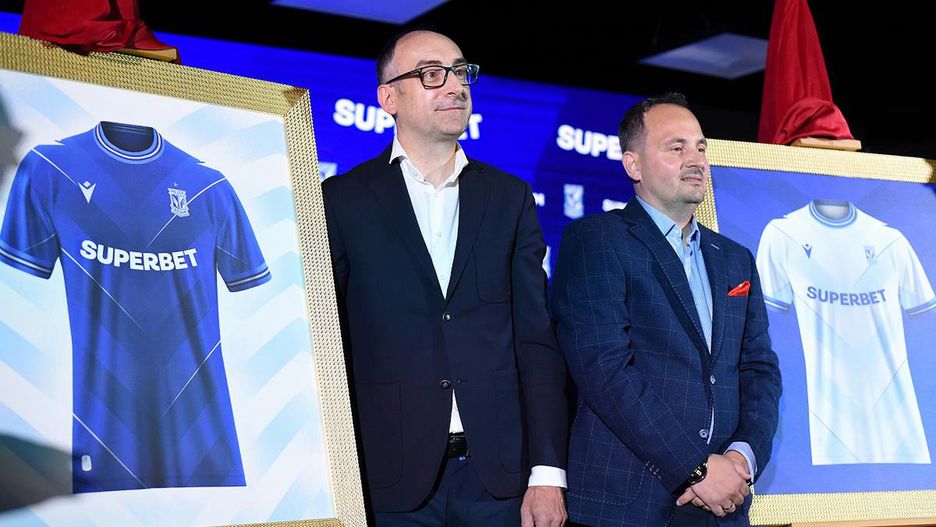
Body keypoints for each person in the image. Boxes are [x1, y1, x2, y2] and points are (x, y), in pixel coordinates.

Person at [322, 29, 568, 526]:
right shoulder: (341, 200)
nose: (455, 86)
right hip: (386, 478)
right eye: (432, 74)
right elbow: (330, 347)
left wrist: (547, 473)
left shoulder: (510, 198)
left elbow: (536, 342)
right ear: (388, 98)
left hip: (498, 482)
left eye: (460, 72)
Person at [550, 93, 782, 527]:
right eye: (676, 148)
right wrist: (697, 469)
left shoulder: (735, 259)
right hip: (629, 507)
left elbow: (760, 368)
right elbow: (604, 369)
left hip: (724, 504)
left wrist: (741, 458)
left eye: (700, 148)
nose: (695, 160)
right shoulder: (597, 240)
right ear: (633, 165)